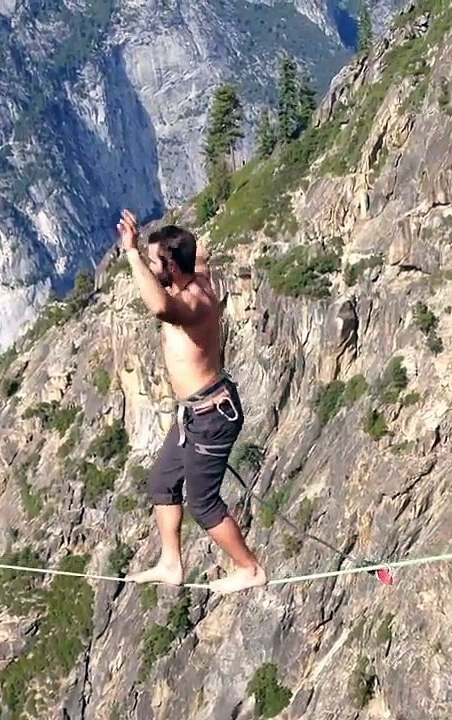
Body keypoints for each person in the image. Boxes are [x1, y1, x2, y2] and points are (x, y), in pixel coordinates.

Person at [116, 209, 267, 595]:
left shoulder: (193, 303)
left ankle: (249, 568)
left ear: (171, 266)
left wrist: (132, 253)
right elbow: (200, 257)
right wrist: (199, 249)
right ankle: (171, 562)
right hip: (193, 415)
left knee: (203, 503)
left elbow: (160, 308)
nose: (151, 269)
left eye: (155, 263)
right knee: (163, 481)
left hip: (212, 415)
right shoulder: (194, 275)